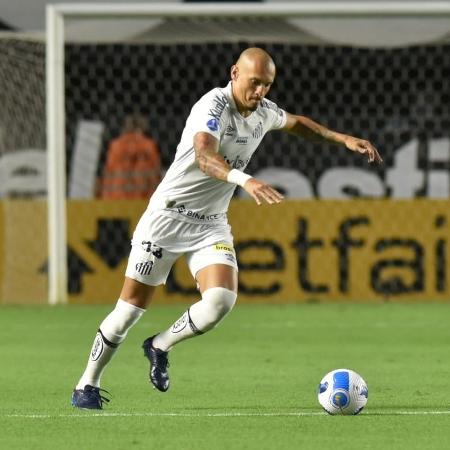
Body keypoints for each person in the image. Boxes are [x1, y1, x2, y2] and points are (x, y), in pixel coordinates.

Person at [71, 47, 382, 409]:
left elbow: (297, 124)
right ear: (235, 73)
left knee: (220, 300)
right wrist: (245, 181)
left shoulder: (263, 112)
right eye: (254, 83)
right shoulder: (213, 106)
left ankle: (159, 345)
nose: (260, 92)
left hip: (211, 224)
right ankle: (86, 385)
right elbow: (205, 157)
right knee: (128, 311)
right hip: (167, 218)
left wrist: (340, 138)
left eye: (267, 85)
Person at [99, 115, 161, 199]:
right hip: (143, 200)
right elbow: (155, 175)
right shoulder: (149, 145)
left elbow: (108, 174)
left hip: (117, 199)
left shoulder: (116, 145)